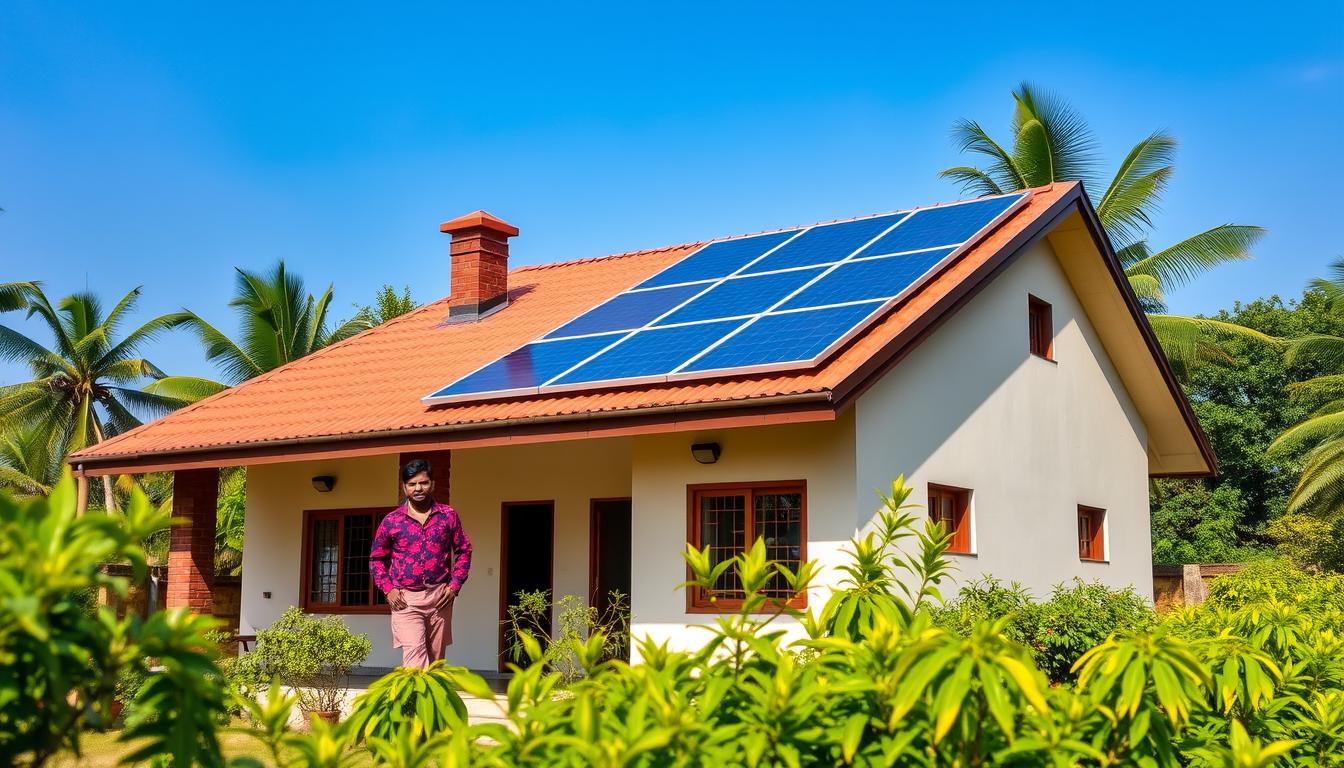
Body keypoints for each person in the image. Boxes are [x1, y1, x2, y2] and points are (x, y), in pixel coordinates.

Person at [369, 459, 473, 669]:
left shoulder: (447, 516)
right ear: (404, 487)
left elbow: (464, 550)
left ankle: (432, 703)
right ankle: (416, 701)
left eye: (423, 483)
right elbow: (376, 559)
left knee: (435, 665)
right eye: (412, 484)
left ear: (432, 484)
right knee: (416, 665)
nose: (418, 488)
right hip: (405, 600)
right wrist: (388, 589)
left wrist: (454, 586)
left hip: (439, 599)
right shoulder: (392, 521)